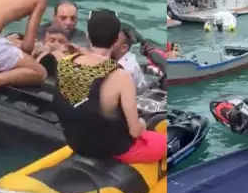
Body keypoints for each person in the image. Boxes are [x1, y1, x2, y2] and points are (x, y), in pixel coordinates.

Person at [51, 10, 165, 163]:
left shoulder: (65, 63)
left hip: (76, 143)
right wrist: (144, 123)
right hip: (112, 151)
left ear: (87, 36)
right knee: (165, 141)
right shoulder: (120, 76)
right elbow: (135, 132)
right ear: (115, 39)